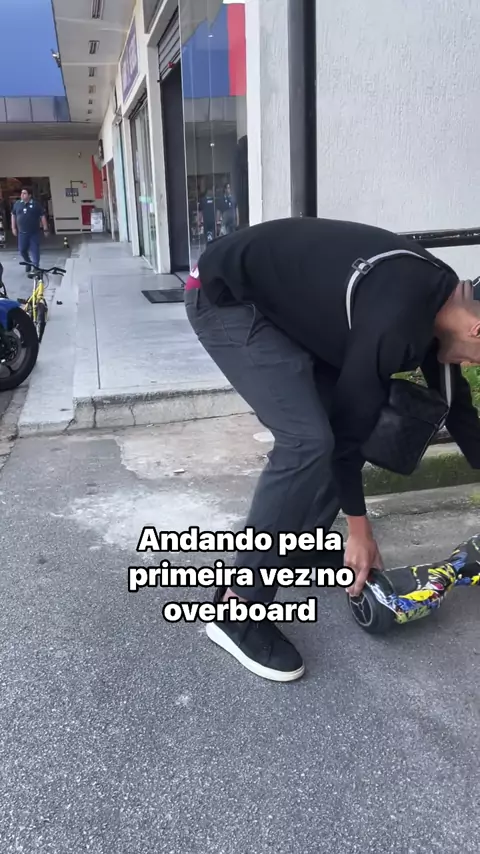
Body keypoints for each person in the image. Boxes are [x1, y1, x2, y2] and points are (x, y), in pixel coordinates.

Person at [184, 216, 480, 683]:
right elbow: (345, 437)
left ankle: (299, 545)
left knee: (356, 423)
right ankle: (236, 608)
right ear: (477, 330)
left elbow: (457, 409)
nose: (471, 364)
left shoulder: (442, 301)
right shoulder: (397, 320)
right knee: (308, 441)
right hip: (226, 296)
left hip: (285, 306)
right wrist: (360, 532)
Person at [11, 189, 49, 273]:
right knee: (22, 250)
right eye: (21, 193)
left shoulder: (36, 204)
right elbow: (13, 215)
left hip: (34, 233)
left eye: (24, 193)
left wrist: (45, 228)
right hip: (22, 233)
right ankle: (28, 262)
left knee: (35, 250)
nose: (22, 195)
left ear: (29, 195)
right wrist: (13, 227)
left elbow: (42, 216)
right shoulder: (17, 204)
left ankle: (36, 266)